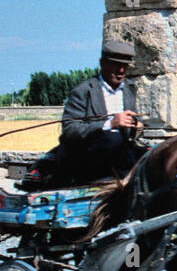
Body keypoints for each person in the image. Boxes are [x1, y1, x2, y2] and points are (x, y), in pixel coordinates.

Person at [56, 40, 144, 183]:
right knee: (112, 138)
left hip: (122, 154)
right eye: (116, 65)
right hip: (89, 158)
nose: (121, 71)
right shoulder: (83, 91)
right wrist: (110, 124)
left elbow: (135, 123)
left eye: (125, 66)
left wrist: (137, 126)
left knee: (155, 154)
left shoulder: (129, 89)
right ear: (102, 63)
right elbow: (70, 130)